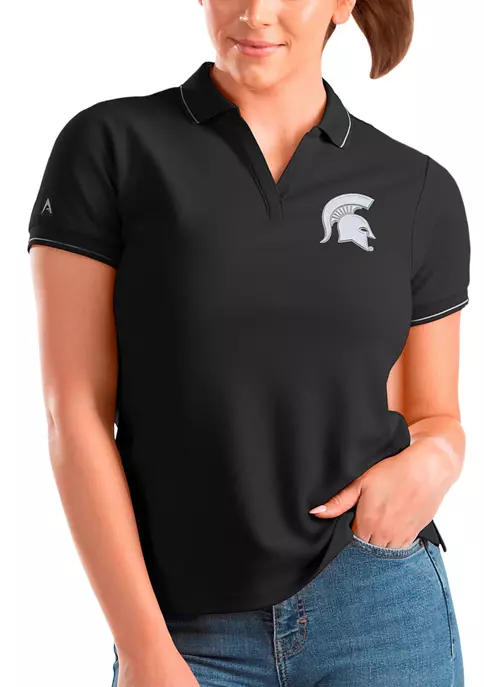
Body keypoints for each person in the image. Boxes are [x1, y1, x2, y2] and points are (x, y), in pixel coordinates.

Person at [27, 0, 471, 685]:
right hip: (185, 627)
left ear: (342, 4)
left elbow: (435, 414)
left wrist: (439, 458)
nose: (257, 12)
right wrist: (143, 649)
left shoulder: (418, 188)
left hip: (379, 601)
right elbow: (74, 413)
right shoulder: (110, 146)